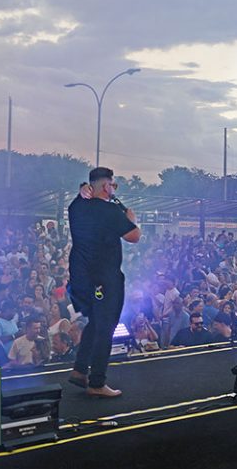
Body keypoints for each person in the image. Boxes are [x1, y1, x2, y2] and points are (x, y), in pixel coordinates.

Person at [67, 168, 141, 398]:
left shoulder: (76, 206)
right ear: (104, 186)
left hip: (81, 278)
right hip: (105, 277)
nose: (114, 189)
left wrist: (83, 189)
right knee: (106, 327)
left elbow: (80, 198)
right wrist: (131, 220)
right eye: (113, 185)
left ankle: (80, 370)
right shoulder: (110, 211)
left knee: (95, 322)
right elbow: (134, 236)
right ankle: (97, 382)